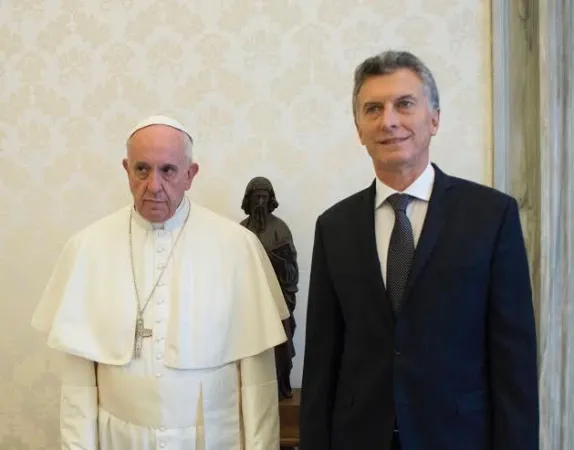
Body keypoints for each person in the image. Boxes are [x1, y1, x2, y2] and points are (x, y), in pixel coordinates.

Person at [299, 50, 539, 450]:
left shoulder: (492, 216)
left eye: (404, 104)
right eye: (372, 108)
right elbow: (322, 359)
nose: (388, 120)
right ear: (359, 128)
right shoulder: (334, 226)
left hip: (459, 438)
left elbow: (514, 359)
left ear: (435, 118)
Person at [31, 115, 290, 450]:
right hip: (120, 440)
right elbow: (79, 385)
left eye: (167, 170)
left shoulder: (238, 247)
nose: (153, 185)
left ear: (189, 174)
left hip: (213, 439)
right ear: (126, 169)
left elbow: (258, 381)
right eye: (142, 169)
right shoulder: (87, 247)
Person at [240, 176, 299, 400]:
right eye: (257, 197)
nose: (261, 203)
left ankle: (281, 386)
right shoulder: (242, 229)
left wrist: (279, 262)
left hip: (277, 301)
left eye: (265, 198)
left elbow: (291, 270)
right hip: (250, 300)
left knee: (280, 347)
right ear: (249, 199)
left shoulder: (280, 229)